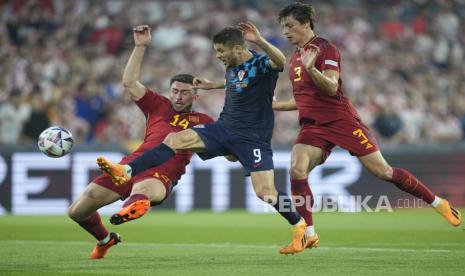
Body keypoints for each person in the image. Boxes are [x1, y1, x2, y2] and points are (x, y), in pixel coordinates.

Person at [97, 23, 309, 254]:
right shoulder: (232, 65)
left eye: (220, 51)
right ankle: (126, 171)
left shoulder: (260, 63)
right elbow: (235, 82)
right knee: (174, 139)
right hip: (224, 127)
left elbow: (280, 61)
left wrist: (258, 40)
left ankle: (300, 228)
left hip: (252, 138)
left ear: (237, 49)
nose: (218, 56)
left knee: (266, 193)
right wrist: (212, 85)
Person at [273, 2, 462, 254]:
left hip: (341, 120)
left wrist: (311, 68)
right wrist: (274, 104)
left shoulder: (324, 48)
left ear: (305, 23)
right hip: (313, 125)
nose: (285, 31)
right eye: (282, 27)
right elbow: (303, 100)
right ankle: (309, 233)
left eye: (290, 25)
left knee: (383, 172)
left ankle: (438, 203)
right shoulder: (296, 56)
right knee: (297, 168)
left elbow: (330, 87)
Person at [68, 25, 214, 259]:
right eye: (175, 91)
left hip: (163, 171)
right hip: (128, 165)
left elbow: (222, 147)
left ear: (195, 96)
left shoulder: (205, 121)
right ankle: (106, 240)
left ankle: (133, 207)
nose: (178, 96)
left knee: (143, 189)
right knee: (77, 211)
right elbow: (129, 83)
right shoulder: (158, 105)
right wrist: (140, 46)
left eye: (184, 93)